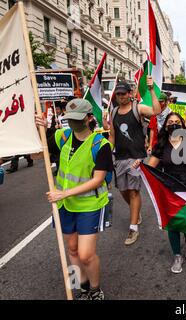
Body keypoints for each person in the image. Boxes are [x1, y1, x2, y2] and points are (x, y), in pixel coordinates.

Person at [35, 99, 114, 300]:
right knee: (71, 249)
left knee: (86, 254)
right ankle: (81, 287)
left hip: (90, 204)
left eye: (77, 119)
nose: (72, 123)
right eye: (69, 119)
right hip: (65, 205)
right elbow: (39, 151)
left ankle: (96, 290)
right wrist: (40, 130)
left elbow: (97, 180)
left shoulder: (101, 144)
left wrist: (64, 193)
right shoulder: (62, 136)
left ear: (89, 118)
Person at [135, 113, 186, 273]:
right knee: (173, 224)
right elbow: (150, 167)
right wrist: (140, 164)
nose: (174, 124)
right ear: (165, 126)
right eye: (170, 122)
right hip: (169, 190)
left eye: (177, 122)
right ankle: (177, 255)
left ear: (182, 125)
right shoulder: (161, 145)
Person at [106, 78, 161, 246]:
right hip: (120, 158)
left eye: (123, 94)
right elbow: (113, 135)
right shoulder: (114, 112)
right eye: (118, 94)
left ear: (130, 94)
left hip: (137, 157)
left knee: (133, 192)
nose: (120, 97)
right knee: (123, 191)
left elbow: (156, 111)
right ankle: (136, 213)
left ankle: (133, 227)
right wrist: (106, 152)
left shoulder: (138, 108)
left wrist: (151, 90)